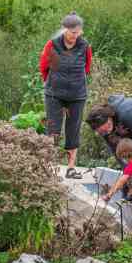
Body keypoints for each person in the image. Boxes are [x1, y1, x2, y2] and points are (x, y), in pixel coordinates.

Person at [39, 12, 92, 179]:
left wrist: (73, 83)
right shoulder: (52, 45)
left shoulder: (85, 47)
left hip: (77, 95)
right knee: (53, 129)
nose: (74, 36)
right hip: (54, 94)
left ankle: (71, 168)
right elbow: (43, 67)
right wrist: (54, 83)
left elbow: (87, 68)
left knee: (73, 130)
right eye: (71, 32)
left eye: (77, 33)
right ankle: (49, 167)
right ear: (64, 29)